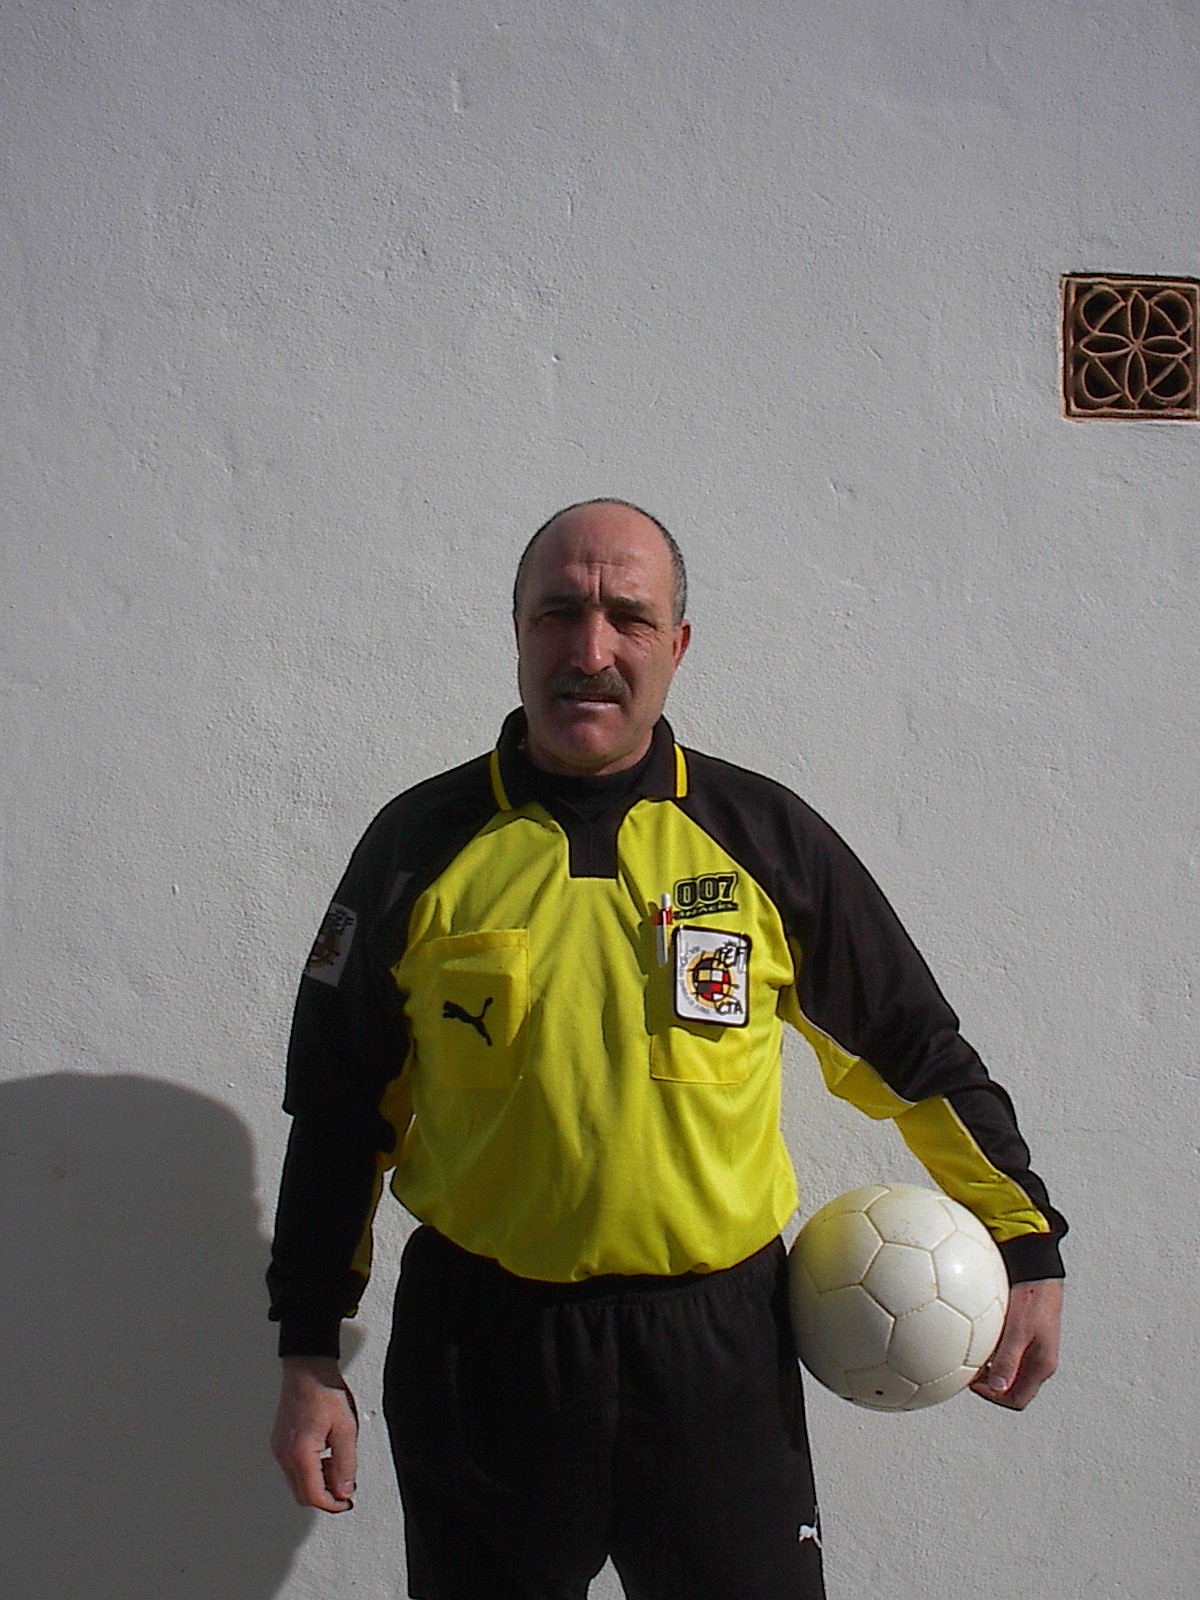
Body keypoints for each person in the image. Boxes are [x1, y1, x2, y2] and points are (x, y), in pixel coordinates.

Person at [268, 499, 1065, 1600]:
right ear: (517, 630)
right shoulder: (418, 845)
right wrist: (308, 1348)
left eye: (628, 618)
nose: (591, 650)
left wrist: (1025, 1240)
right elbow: (338, 1105)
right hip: (483, 1354)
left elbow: (913, 1050)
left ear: (677, 644)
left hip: (717, 1354)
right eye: (559, 613)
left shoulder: (766, 840)